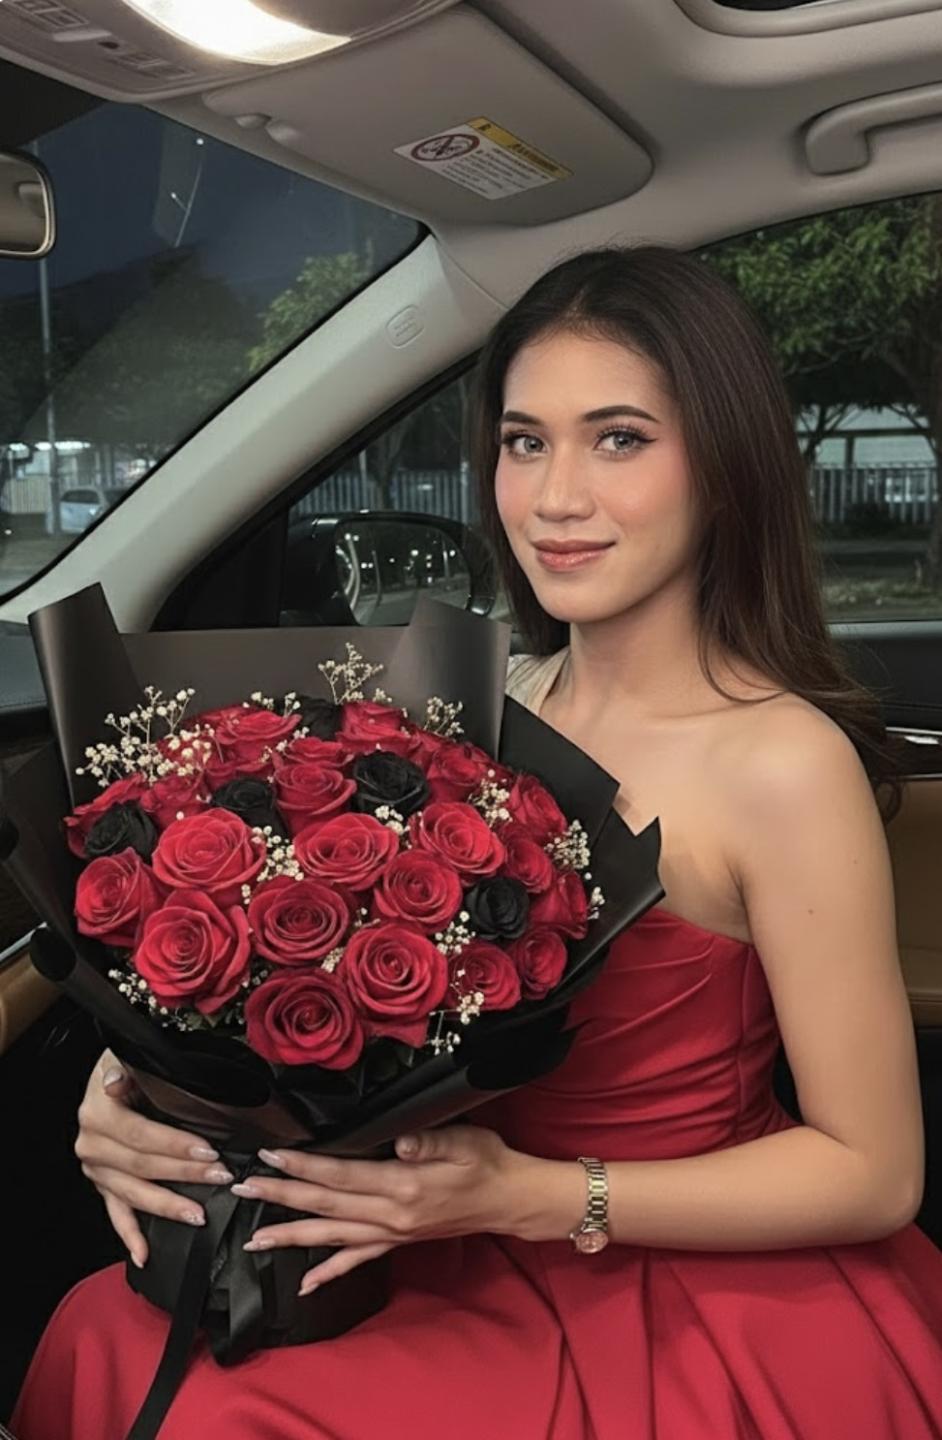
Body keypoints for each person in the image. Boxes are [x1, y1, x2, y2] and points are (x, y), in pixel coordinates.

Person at [12, 245, 942, 1439]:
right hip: (431, 1224)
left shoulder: (781, 762)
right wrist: (139, 1097)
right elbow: (313, 988)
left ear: (725, 464)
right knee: (110, 1327)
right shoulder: (478, 707)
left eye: (619, 439)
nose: (556, 497)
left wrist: (533, 1198)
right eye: (524, 442)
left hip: (656, 1262)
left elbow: (875, 1172)